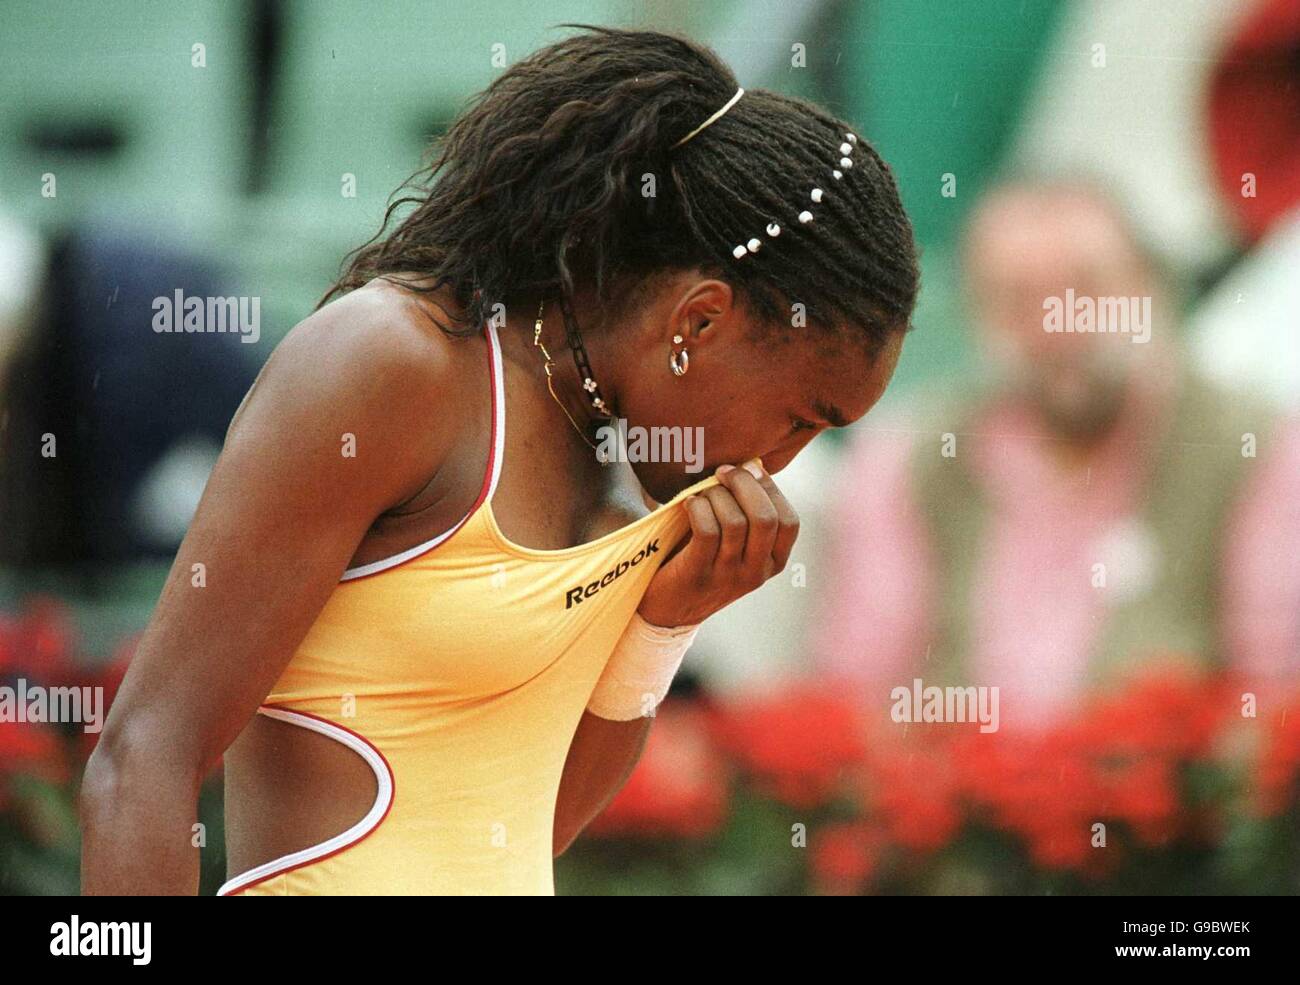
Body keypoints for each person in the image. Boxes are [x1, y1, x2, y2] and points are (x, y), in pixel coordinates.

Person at [80, 26, 919, 895]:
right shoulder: (393, 366)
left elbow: (528, 824)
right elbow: (142, 755)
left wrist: (664, 624)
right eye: (799, 419)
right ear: (699, 321)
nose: (780, 466)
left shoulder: (614, 456)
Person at [814, 178, 1300, 728]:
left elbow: (1271, 701)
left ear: (1152, 290)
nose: (1058, 324)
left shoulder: (1252, 445)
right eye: (1019, 299)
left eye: (1086, 289)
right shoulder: (906, 460)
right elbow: (859, 700)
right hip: (964, 802)